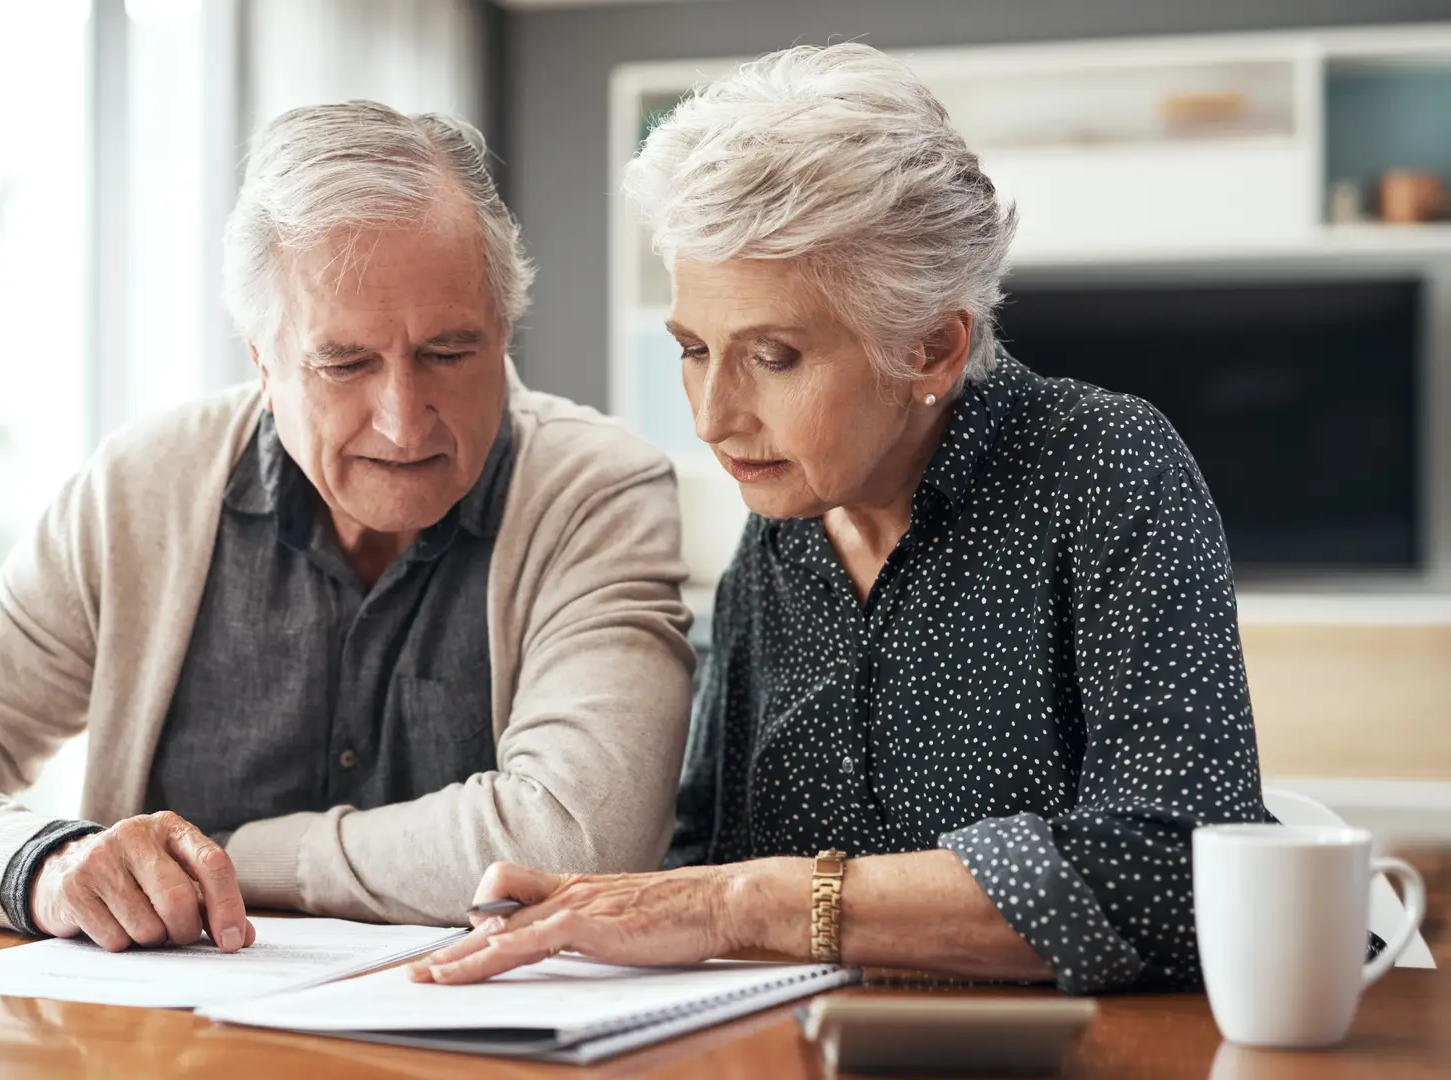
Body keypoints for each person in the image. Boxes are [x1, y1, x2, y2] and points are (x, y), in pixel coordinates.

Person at [409, 43, 1271, 994]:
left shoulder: (1107, 470)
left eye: (773, 356)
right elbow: (713, 851)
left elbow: (1179, 870)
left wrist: (750, 905)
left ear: (933, 349)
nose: (712, 417)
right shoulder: (777, 534)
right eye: (695, 348)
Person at [0, 102, 695, 953]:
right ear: (262, 361)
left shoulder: (595, 491)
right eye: (344, 363)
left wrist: (238, 856)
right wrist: (48, 864)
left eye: (449, 354)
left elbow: (579, 839)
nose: (404, 418)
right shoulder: (141, 493)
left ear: (504, 332)